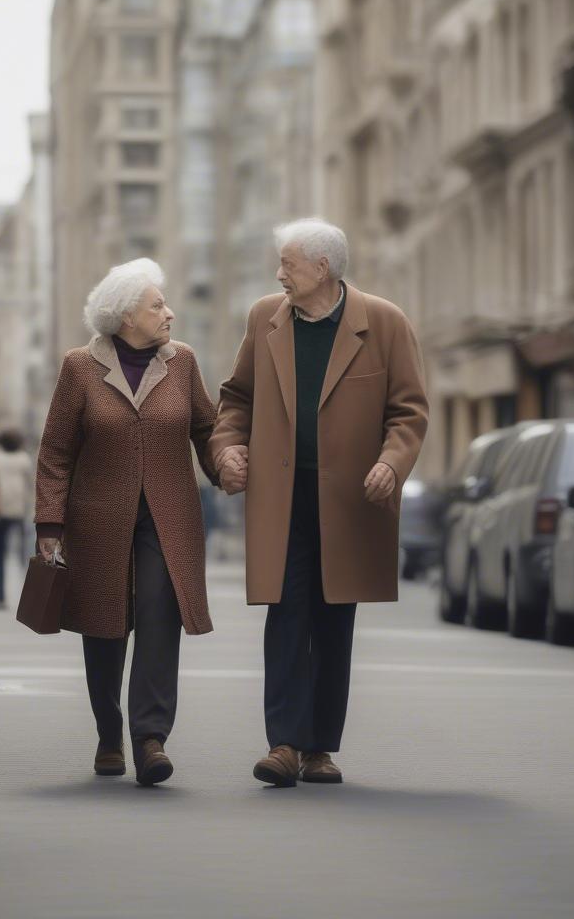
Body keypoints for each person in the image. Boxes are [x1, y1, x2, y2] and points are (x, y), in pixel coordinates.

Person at [209, 218, 429, 787]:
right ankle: (282, 744)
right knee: (285, 615)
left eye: (289, 264)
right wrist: (227, 448)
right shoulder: (265, 319)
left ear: (322, 269)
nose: (279, 274)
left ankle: (320, 750)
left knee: (335, 620)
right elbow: (236, 398)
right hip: (280, 498)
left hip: (350, 501)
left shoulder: (383, 321)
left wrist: (391, 462)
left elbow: (409, 410)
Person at [35, 258, 218, 786]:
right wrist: (50, 524)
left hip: (168, 516)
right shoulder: (79, 367)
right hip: (97, 517)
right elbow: (55, 451)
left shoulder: (181, 362)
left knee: (161, 614)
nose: (170, 313)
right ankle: (108, 731)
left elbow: (206, 428)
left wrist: (226, 463)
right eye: (157, 305)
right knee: (104, 624)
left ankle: (149, 738)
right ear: (123, 317)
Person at [0, 428, 32, 609]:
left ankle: (0, 593)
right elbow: (31, 484)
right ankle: (27, 591)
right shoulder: (24, 460)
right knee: (25, 552)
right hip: (19, 509)